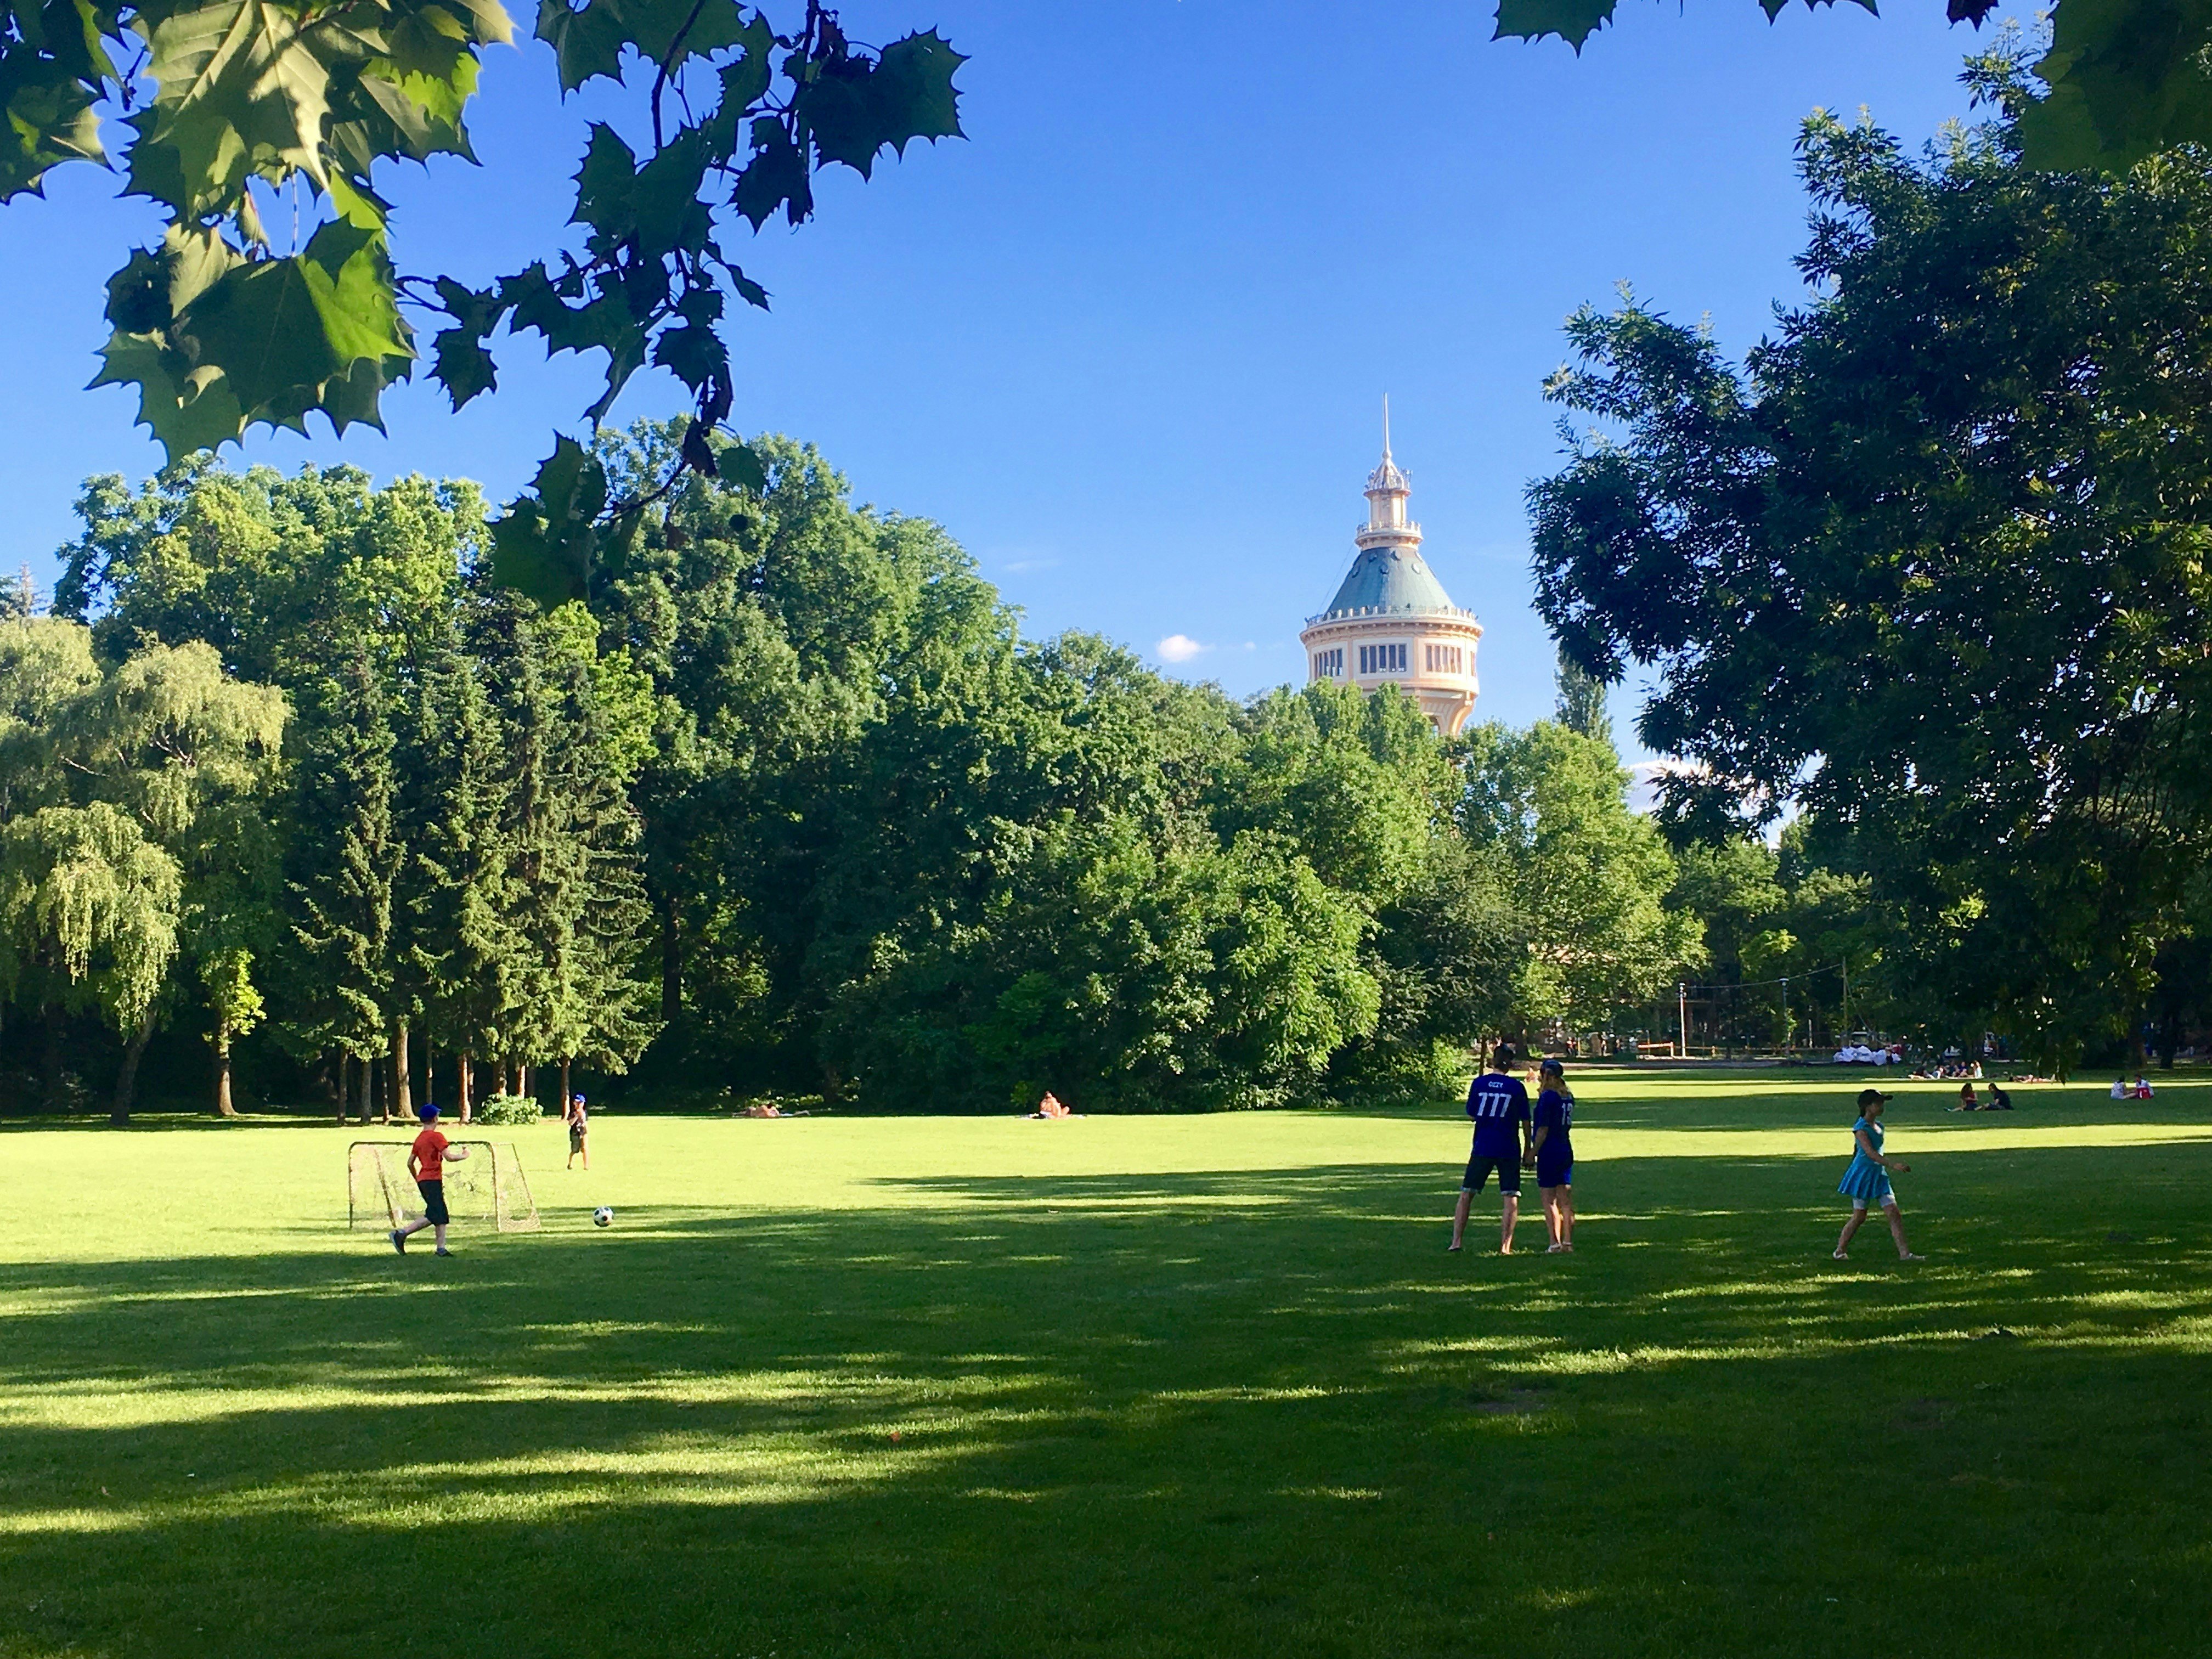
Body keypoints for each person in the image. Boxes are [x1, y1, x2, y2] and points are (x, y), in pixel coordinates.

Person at [1450, 1045, 1532, 1255]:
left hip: (1483, 1146)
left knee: (1467, 1193)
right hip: (1508, 1147)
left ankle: (1456, 1241)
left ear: (1493, 1060)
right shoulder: (1516, 1088)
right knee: (1510, 1196)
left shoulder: (1479, 1083)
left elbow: (1472, 1114)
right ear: (1511, 1064)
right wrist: (1529, 1150)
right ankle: (1505, 1246)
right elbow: (1525, 1120)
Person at [1832, 1088, 1922, 1262]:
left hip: (1879, 1175)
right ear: (1867, 1106)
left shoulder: (1879, 1126)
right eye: (1878, 1103)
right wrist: (1893, 1165)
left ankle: (1905, 1255)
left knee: (1893, 1213)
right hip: (1863, 1175)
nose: (1881, 1106)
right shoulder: (1861, 1128)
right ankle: (1839, 1251)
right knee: (1859, 1217)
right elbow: (1870, 1153)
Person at [391, 1103, 460, 1256]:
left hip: (424, 1180)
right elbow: (449, 1157)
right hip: (433, 1179)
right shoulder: (437, 1137)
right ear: (435, 1118)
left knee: (440, 1213)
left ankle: (441, 1249)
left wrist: (417, 1178)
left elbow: (410, 1162)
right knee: (436, 1214)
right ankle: (401, 1233)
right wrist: (464, 1156)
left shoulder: (420, 1139)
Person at [1530, 1058, 1576, 1252]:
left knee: (1549, 1199)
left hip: (1550, 1150)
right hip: (1565, 1147)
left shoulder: (1548, 1097)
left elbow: (1543, 1129)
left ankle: (1554, 1242)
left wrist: (1533, 1152)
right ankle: (1568, 1241)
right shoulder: (1568, 1096)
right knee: (1566, 1199)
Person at [565, 1092, 589, 1170]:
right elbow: (570, 1123)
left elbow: (586, 1123)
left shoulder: (585, 1113)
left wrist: (586, 1131)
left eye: (580, 1103)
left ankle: (586, 1166)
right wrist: (576, 1116)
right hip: (575, 1133)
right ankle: (570, 1164)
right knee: (575, 1150)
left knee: (585, 1148)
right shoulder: (573, 1113)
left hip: (583, 1132)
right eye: (576, 1102)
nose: (578, 1104)